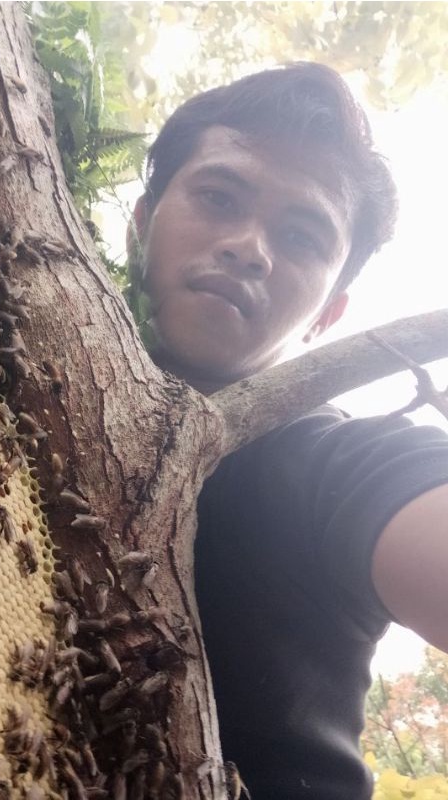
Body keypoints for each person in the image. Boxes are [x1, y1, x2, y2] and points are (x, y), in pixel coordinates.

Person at [126, 62, 448, 799]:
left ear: (329, 316)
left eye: (302, 236)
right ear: (143, 222)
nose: (248, 246)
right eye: (217, 196)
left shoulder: (342, 462)